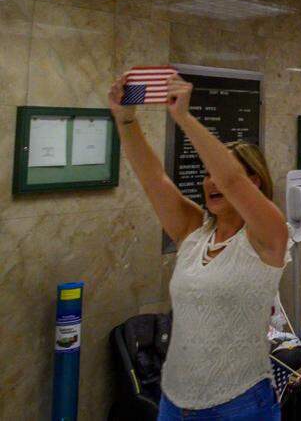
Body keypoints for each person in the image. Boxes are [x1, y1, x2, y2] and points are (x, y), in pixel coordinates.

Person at [108, 74, 289, 420]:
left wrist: (185, 118)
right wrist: (126, 120)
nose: (210, 182)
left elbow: (231, 179)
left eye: (216, 173)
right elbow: (153, 179)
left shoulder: (269, 237)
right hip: (174, 404)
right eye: (205, 174)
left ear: (254, 182)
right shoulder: (193, 230)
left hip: (239, 406)